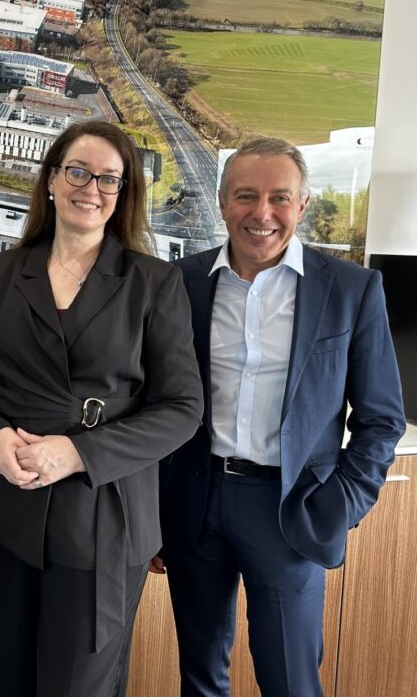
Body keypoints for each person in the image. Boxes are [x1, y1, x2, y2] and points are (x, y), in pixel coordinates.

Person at [0, 120, 203, 697]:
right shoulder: (2, 273)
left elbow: (182, 407)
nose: (92, 188)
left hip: (103, 517)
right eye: (79, 172)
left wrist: (78, 452)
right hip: (7, 507)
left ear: (124, 192)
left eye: (109, 179)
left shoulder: (154, 282)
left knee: (77, 686)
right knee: (0, 678)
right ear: (53, 180)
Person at [154, 137, 406, 697]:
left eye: (279, 197)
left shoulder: (351, 290)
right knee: (199, 677)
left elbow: (382, 419)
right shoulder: (181, 283)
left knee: (290, 680)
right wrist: (152, 508)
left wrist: (338, 506)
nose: (261, 213)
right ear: (222, 202)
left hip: (291, 510)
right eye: (246, 195)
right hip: (195, 501)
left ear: (303, 203)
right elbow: (153, 403)